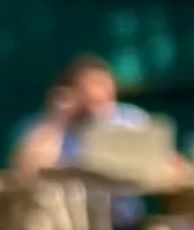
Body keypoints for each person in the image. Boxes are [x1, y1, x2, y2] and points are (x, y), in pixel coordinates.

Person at [9, 53, 158, 183]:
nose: (99, 95)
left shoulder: (130, 120)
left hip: (123, 213)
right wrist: (57, 121)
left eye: (106, 90)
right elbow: (26, 172)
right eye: (93, 87)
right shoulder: (42, 129)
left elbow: (167, 163)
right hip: (67, 212)